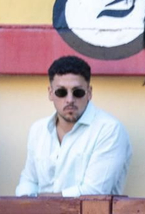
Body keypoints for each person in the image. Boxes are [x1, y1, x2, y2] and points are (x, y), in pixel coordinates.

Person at [15, 56, 133, 197]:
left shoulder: (109, 130)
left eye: (77, 92)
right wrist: (26, 204)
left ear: (89, 93)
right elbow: (29, 180)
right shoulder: (38, 130)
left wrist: (41, 201)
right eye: (61, 92)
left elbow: (94, 192)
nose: (70, 100)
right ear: (50, 93)